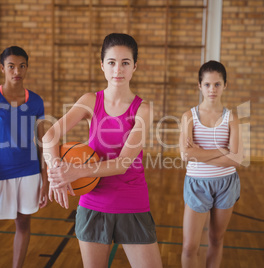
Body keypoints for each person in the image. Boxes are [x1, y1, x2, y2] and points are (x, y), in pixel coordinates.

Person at [43, 33, 162, 268]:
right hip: (94, 201)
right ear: (102, 66)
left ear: (134, 66)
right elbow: (50, 136)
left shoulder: (143, 109)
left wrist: (76, 172)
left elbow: (123, 163)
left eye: (125, 63)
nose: (118, 69)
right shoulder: (90, 101)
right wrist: (57, 171)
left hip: (132, 200)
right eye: (111, 62)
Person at [0, 46, 49, 268]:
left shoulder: (36, 101)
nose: (17, 71)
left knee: (23, 223)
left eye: (22, 66)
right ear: (3, 68)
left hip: (29, 172)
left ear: (27, 68)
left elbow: (43, 144)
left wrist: (46, 180)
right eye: (12, 66)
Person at [179, 60, 244, 268]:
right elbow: (185, 155)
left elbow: (237, 159)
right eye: (207, 84)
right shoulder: (189, 117)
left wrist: (201, 153)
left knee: (216, 239)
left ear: (225, 85)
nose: (212, 89)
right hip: (197, 183)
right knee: (189, 246)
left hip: (226, 183)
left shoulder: (232, 118)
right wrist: (221, 151)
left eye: (217, 84)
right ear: (199, 86)